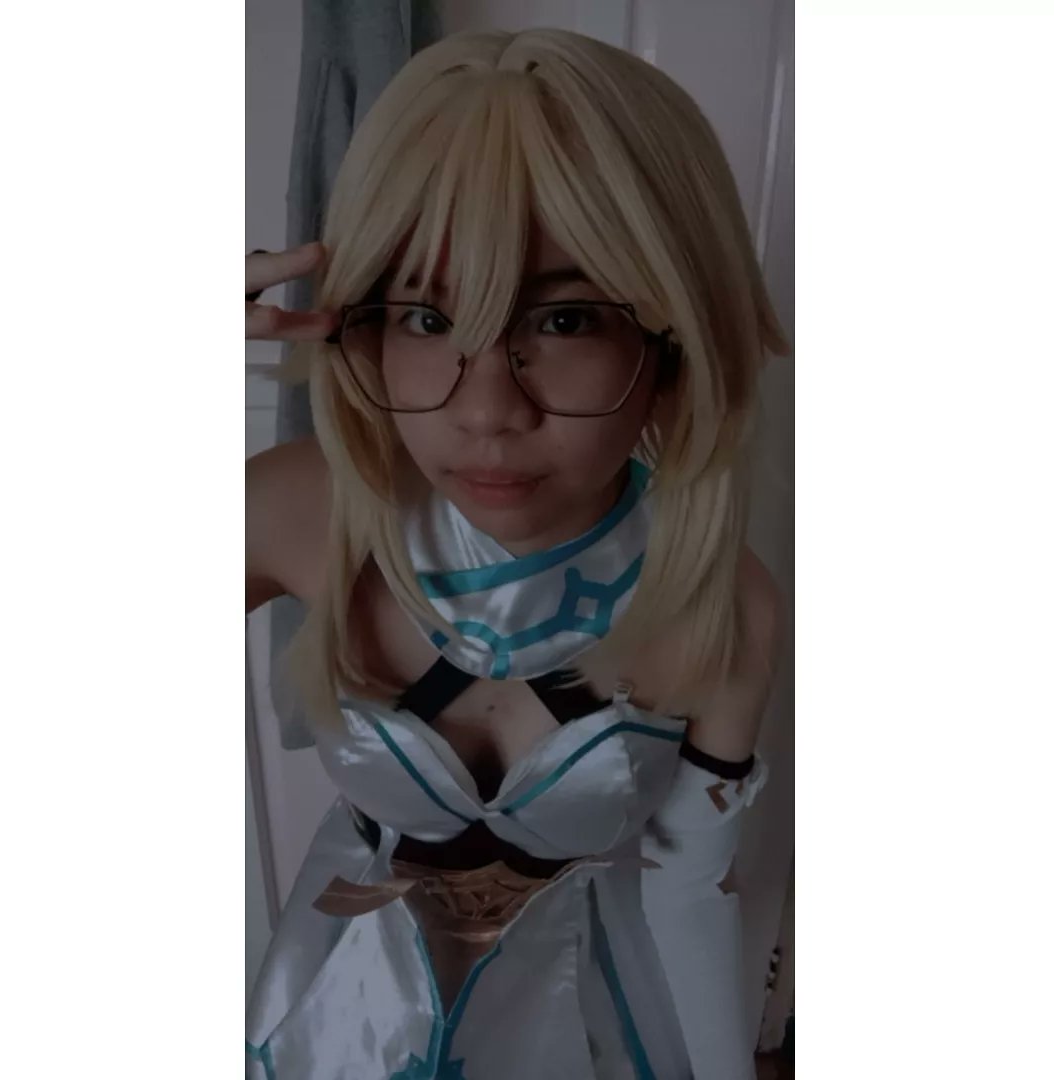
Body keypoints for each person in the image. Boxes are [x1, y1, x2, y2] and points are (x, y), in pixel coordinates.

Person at [245, 26, 787, 1080]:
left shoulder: (725, 605)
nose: (487, 411)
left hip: (591, 1024)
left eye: (567, 319)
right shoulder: (297, 514)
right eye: (427, 315)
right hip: (339, 1020)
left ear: (676, 341)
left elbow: (688, 886)